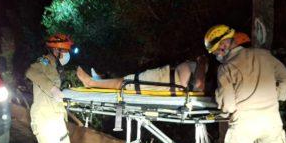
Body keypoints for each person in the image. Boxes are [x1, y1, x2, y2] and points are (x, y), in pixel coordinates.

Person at [26, 33, 84, 143]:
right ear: (55, 50)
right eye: (64, 50)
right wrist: (52, 89)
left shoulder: (57, 68)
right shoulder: (43, 63)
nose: (67, 54)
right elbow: (31, 72)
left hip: (58, 119)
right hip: (44, 120)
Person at [76, 55, 209, 92]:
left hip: (165, 81)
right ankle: (98, 81)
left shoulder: (203, 67)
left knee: (126, 83)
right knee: (127, 80)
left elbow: (198, 85)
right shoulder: (201, 68)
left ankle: (91, 82)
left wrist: (201, 62)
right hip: (164, 77)